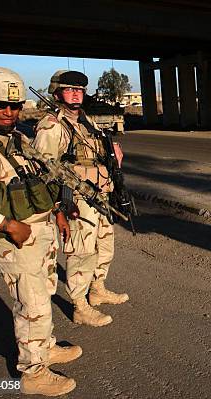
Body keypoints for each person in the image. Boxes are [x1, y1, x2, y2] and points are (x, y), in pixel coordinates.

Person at [0, 67, 80, 396]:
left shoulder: (17, 137)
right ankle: (33, 372)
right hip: (17, 237)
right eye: (1, 106)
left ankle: (44, 346)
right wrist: (7, 225)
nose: (10, 113)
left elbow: (37, 179)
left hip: (42, 229)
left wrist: (58, 213)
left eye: (15, 106)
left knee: (46, 291)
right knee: (32, 303)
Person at [33, 70, 128, 328]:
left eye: (79, 89)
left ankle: (97, 288)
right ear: (57, 92)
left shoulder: (85, 120)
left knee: (104, 245)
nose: (76, 93)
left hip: (100, 195)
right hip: (77, 198)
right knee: (82, 252)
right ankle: (80, 305)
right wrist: (59, 208)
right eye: (69, 89)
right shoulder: (52, 126)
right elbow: (44, 170)